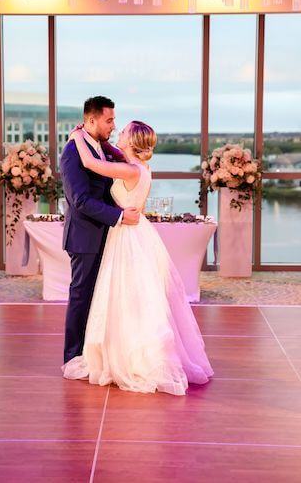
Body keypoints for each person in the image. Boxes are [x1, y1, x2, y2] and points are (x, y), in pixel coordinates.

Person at [62, 120, 214, 396]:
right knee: (137, 296)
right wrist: (99, 139)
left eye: (122, 132)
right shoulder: (140, 168)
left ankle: (132, 358)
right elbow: (111, 153)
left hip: (127, 236)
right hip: (136, 231)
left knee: (125, 295)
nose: (117, 133)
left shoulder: (130, 170)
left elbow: (91, 163)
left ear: (131, 141)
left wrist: (77, 136)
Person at [60, 96, 140, 366]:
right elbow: (79, 200)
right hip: (84, 237)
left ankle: (92, 354)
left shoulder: (99, 146)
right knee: (81, 296)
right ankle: (72, 356)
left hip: (105, 233)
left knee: (98, 296)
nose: (113, 125)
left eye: (114, 120)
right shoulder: (73, 151)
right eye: (109, 120)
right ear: (91, 120)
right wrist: (118, 215)